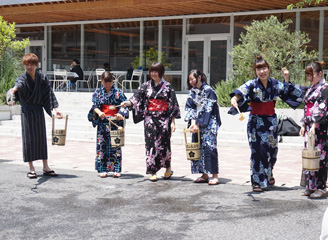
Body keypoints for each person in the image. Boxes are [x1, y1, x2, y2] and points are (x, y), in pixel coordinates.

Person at [229, 56, 304, 192]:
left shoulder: (274, 84)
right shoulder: (252, 84)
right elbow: (241, 92)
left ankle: (269, 174)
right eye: (259, 69)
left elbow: (287, 92)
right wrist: (234, 98)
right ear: (255, 71)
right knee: (258, 151)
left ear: (268, 69)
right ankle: (257, 181)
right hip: (256, 122)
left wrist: (286, 79)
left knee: (272, 151)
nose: (262, 71)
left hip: (271, 121)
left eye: (264, 68)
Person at [121, 62, 181, 181]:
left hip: (164, 119)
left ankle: (168, 167)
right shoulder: (145, 85)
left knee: (164, 144)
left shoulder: (167, 86)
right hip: (150, 119)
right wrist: (128, 103)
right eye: (151, 71)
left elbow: (172, 104)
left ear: (161, 72)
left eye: (155, 71)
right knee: (151, 145)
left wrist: (173, 122)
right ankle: (153, 170)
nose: (153, 74)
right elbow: (136, 98)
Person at [10, 53, 63, 179]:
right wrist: (14, 90)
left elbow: (49, 94)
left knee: (41, 139)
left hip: (38, 112)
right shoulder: (22, 78)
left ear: (36, 65)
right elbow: (19, 84)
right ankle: (31, 168)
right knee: (29, 139)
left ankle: (45, 166)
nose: (29, 67)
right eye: (27, 64)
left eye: (32, 64)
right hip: (27, 112)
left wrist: (56, 109)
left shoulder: (42, 78)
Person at [88, 71, 129, 178]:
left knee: (116, 145)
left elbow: (125, 105)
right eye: (105, 83)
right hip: (103, 122)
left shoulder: (118, 92)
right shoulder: (98, 92)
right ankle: (102, 169)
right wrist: (99, 112)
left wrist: (121, 113)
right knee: (102, 146)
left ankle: (117, 169)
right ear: (102, 81)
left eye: (109, 82)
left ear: (112, 81)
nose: (107, 85)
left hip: (115, 122)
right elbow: (95, 106)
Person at [185, 69, 222, 185]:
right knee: (198, 147)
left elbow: (207, 109)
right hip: (196, 122)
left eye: (193, 79)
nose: (191, 81)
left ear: (199, 77)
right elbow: (189, 107)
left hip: (210, 122)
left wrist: (197, 123)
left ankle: (214, 175)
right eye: (189, 79)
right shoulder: (192, 92)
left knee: (210, 147)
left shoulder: (209, 91)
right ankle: (204, 174)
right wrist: (192, 123)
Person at [300, 61, 328, 198]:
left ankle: (321, 187)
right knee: (309, 156)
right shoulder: (312, 87)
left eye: (312, 75)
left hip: (319, 128)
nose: (310, 78)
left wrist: (313, 125)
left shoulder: (325, 88)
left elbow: (322, 109)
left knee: (319, 156)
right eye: (308, 75)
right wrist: (303, 124)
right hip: (310, 128)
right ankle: (310, 186)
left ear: (320, 74)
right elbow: (306, 108)